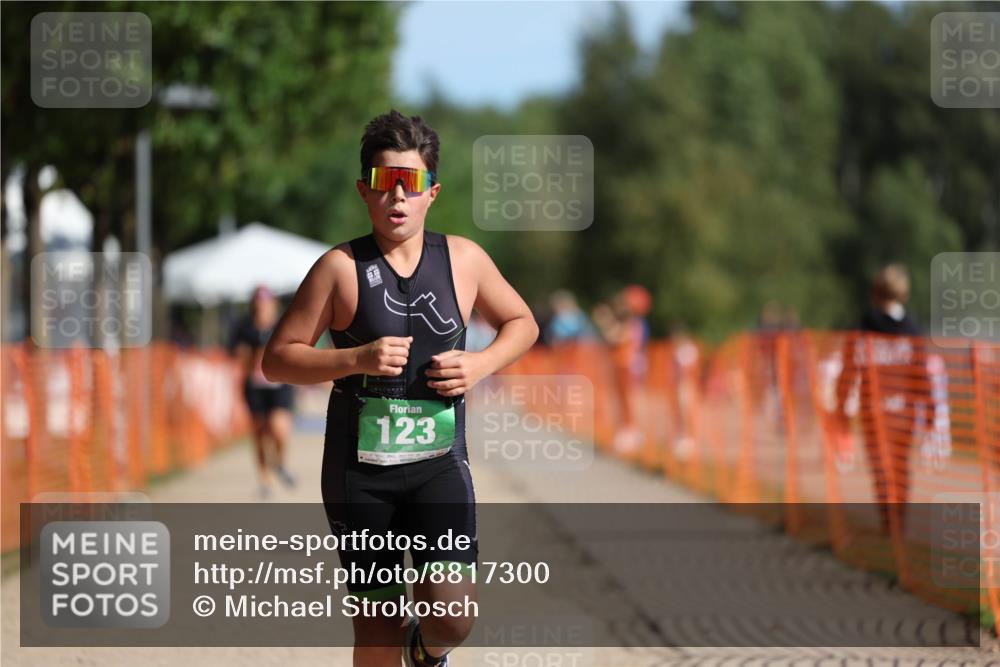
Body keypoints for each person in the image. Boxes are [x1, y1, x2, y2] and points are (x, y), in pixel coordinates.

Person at [261, 109, 538, 667]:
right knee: (377, 631)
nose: (397, 197)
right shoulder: (338, 267)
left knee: (454, 616)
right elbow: (278, 360)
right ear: (365, 191)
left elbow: (523, 323)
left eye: (410, 184)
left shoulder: (463, 259)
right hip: (359, 473)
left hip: (438, 464)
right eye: (385, 183)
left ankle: (426, 654)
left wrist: (481, 366)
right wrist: (355, 357)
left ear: (431, 192)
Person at [834, 264, 930, 535]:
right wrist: (930, 409)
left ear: (876, 292)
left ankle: (889, 520)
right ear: (905, 293)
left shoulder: (864, 326)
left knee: (880, 466)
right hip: (904, 411)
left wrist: (842, 404)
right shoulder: (912, 328)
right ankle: (898, 519)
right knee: (900, 465)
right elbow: (922, 372)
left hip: (874, 408)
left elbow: (849, 368)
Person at [230, 285, 296, 499]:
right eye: (258, 304)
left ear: (273, 305)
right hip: (255, 386)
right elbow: (233, 352)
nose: (262, 308)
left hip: (280, 384)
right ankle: (265, 478)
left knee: (279, 428)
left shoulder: (282, 324)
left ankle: (280, 461)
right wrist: (247, 355)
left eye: (265, 304)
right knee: (259, 434)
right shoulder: (244, 326)